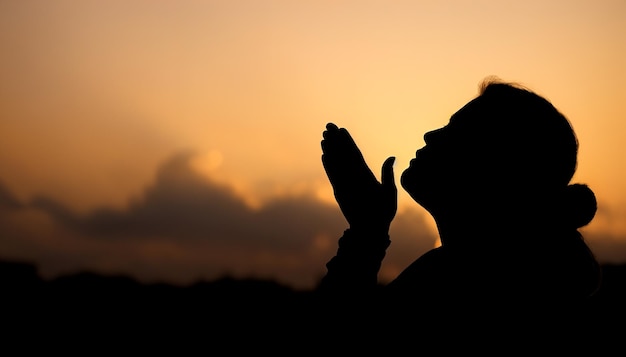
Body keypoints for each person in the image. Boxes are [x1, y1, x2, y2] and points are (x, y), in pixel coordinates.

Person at [316, 79, 602, 327]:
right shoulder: (457, 270)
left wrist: (367, 233)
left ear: (492, 166)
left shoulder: (469, 285)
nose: (431, 135)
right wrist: (368, 228)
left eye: (455, 130)